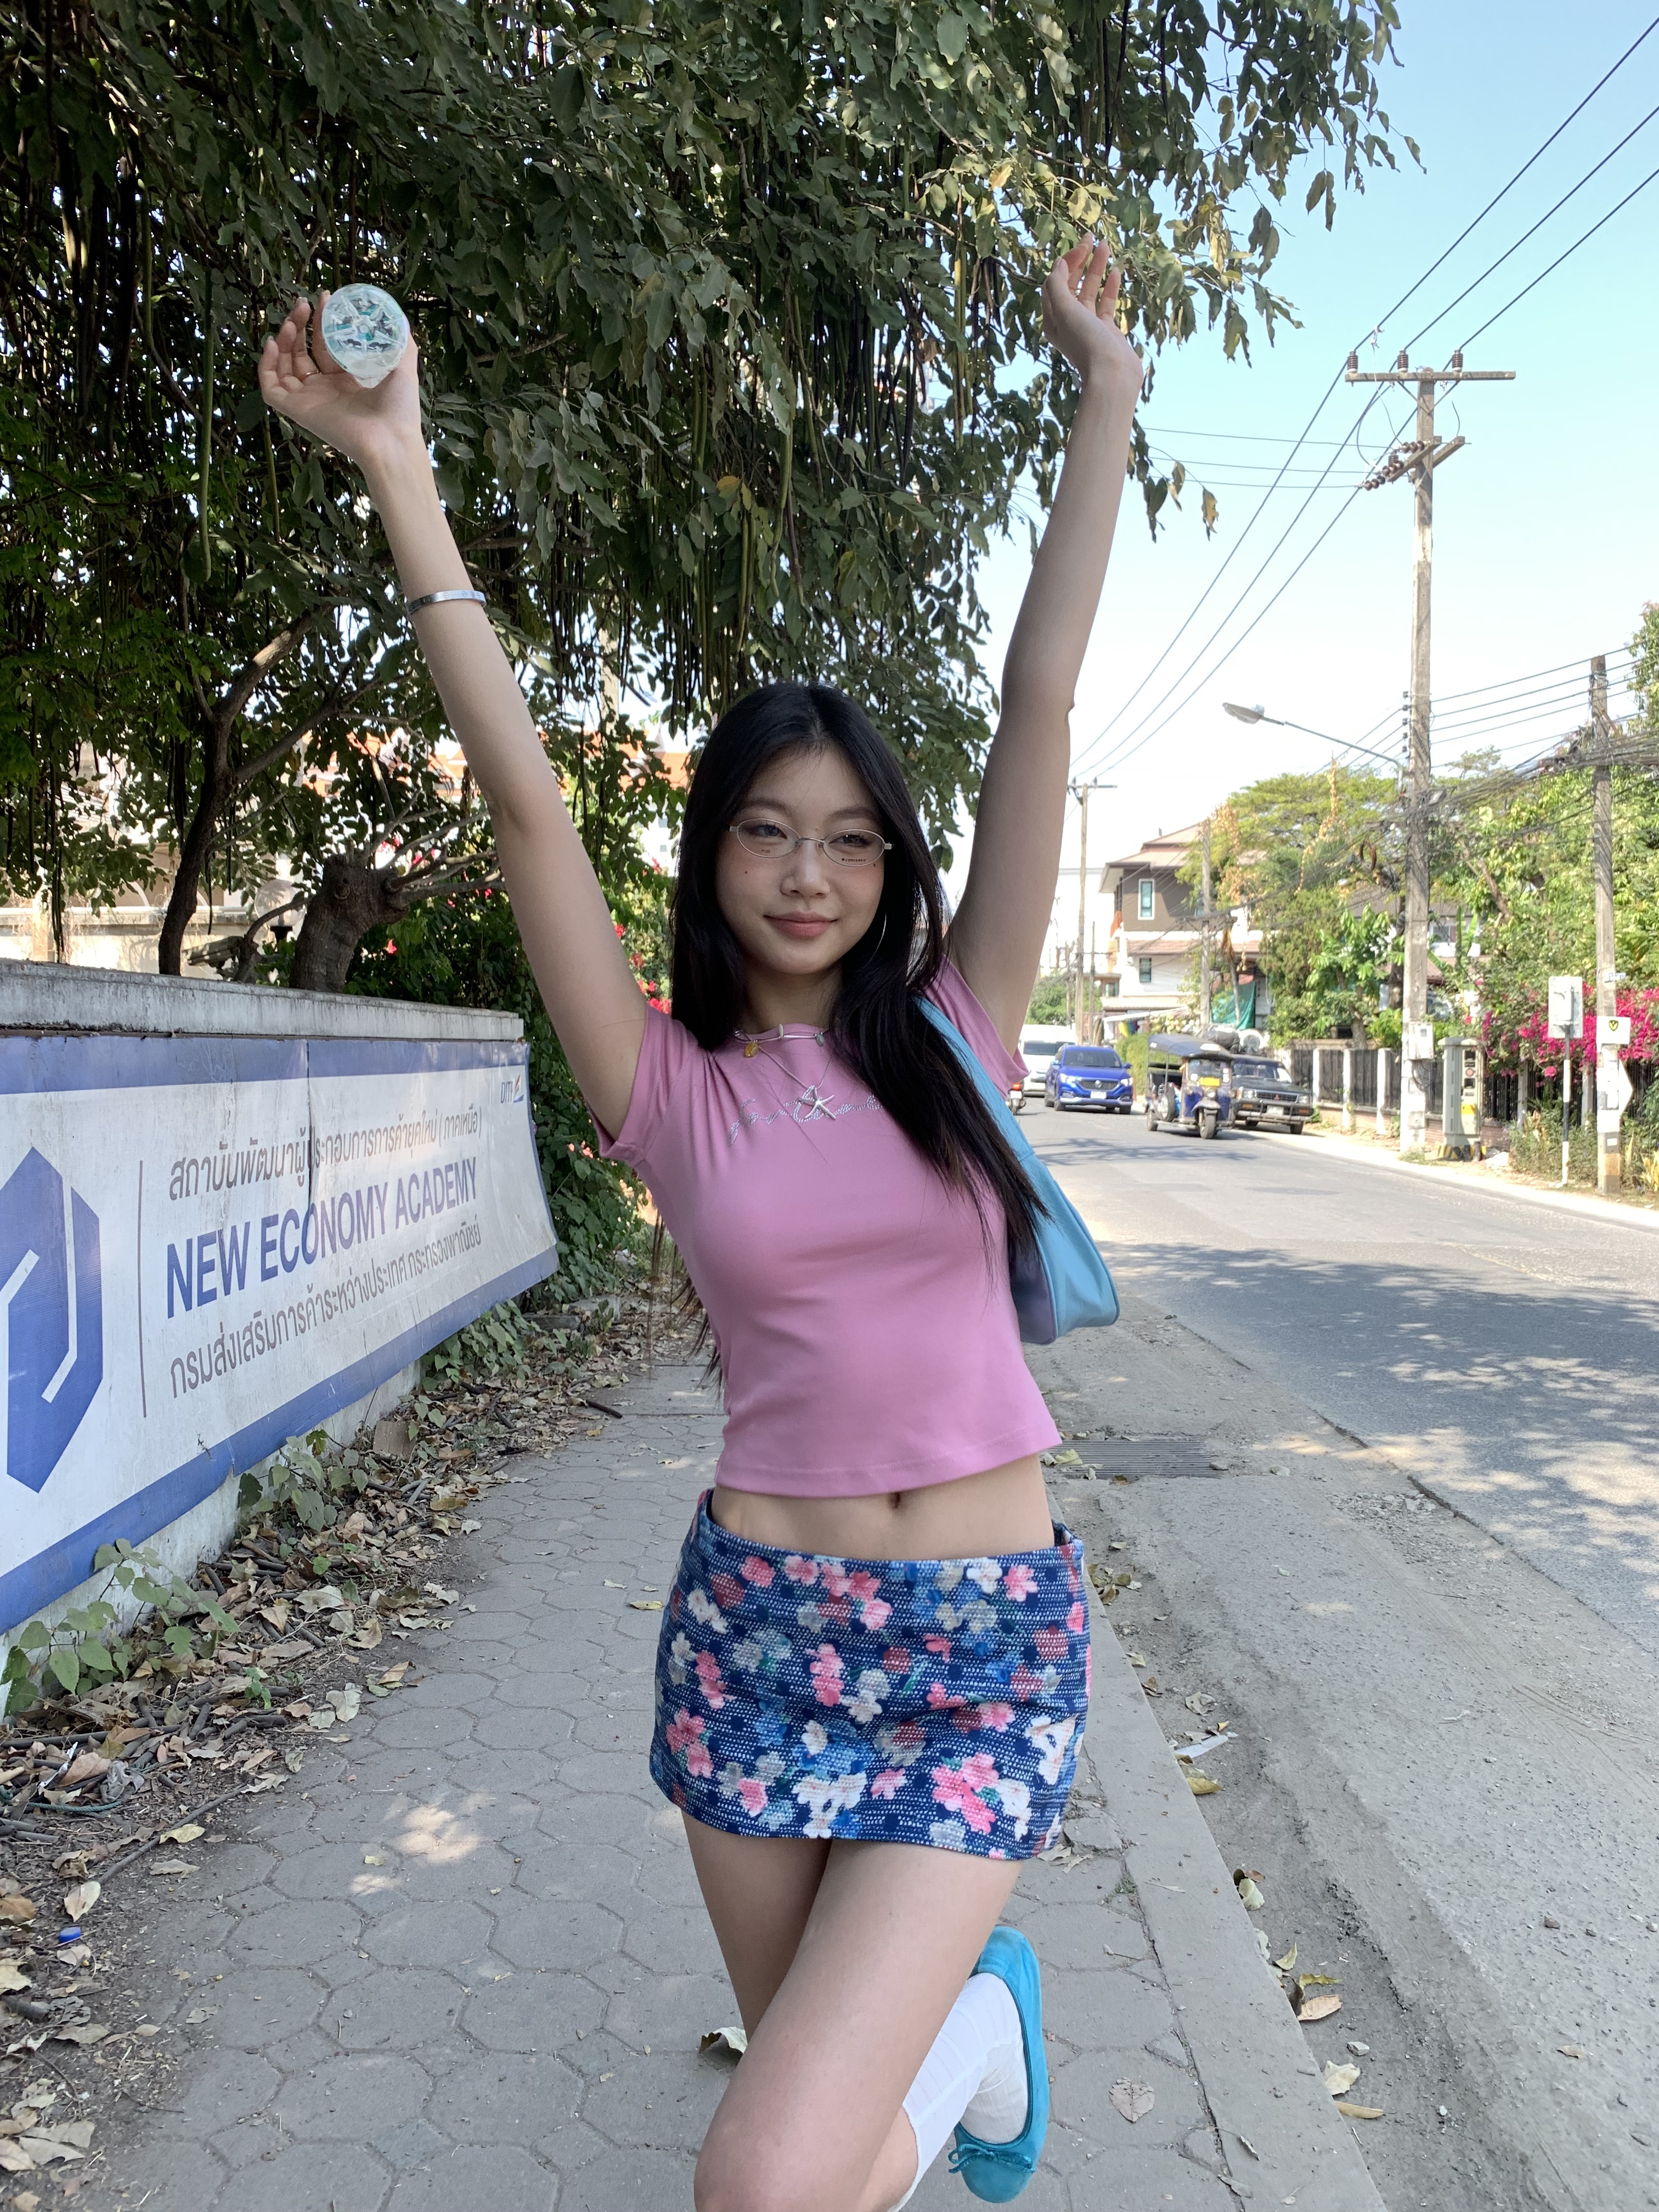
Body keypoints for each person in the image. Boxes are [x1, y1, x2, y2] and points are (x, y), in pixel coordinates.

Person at [261, 237, 1141, 2212]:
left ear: (892, 866)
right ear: (714, 852)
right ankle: (970, 2046)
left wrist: (1103, 397)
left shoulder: (962, 1028)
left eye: (851, 840)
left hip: (983, 1644)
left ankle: (979, 2030)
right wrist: (399, 464)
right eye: (767, 830)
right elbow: (525, 810)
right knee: (816, 2181)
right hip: (759, 1642)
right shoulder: (662, 1090)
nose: (810, 874)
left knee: (762, 2176)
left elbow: (1040, 699)